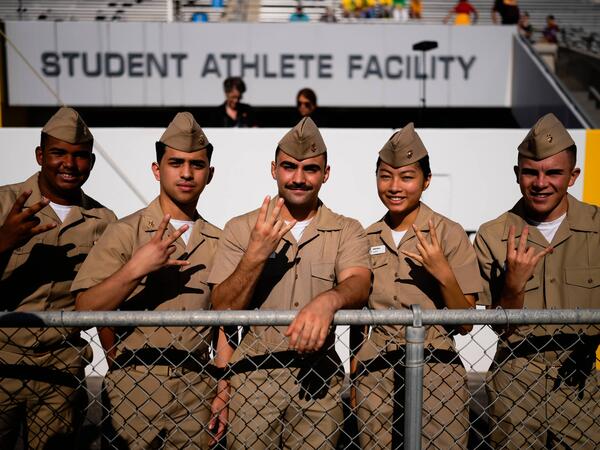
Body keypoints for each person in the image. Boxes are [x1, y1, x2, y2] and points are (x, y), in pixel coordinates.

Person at [208, 117, 371, 449]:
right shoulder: (241, 228)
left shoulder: (346, 230)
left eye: (310, 169)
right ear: (273, 169)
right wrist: (255, 254)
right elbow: (223, 307)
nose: (298, 178)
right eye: (289, 167)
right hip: (253, 376)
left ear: (326, 174)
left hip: (319, 380)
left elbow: (358, 283)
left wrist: (328, 301)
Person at [72, 112, 227, 448]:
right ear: (157, 170)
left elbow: (226, 323)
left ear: (209, 174)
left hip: (197, 387)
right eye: (175, 163)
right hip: (136, 383)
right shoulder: (125, 232)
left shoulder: (219, 241)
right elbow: (84, 308)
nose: (186, 173)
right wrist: (135, 269)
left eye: (196, 165)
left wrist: (223, 387)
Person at [474, 113, 599, 449]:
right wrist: (513, 283)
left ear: (572, 177)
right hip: (515, 379)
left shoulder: (597, 229)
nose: (540, 182)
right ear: (517, 175)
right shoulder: (494, 234)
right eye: (531, 172)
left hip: (581, 380)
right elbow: (501, 329)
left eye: (553, 173)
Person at [354, 123, 481, 449]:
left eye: (407, 177)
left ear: (426, 181)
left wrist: (442, 272)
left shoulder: (448, 234)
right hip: (376, 369)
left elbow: (466, 321)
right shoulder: (365, 237)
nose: (395, 186)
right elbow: (357, 315)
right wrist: (355, 372)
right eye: (385, 176)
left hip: (436, 365)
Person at [0, 107, 116, 448]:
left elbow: (105, 299)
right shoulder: (5, 203)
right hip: (2, 362)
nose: (69, 163)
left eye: (80, 156)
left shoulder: (103, 220)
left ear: (91, 163)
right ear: (40, 155)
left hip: (60, 370)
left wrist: (116, 365)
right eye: (58, 153)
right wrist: (4, 240)